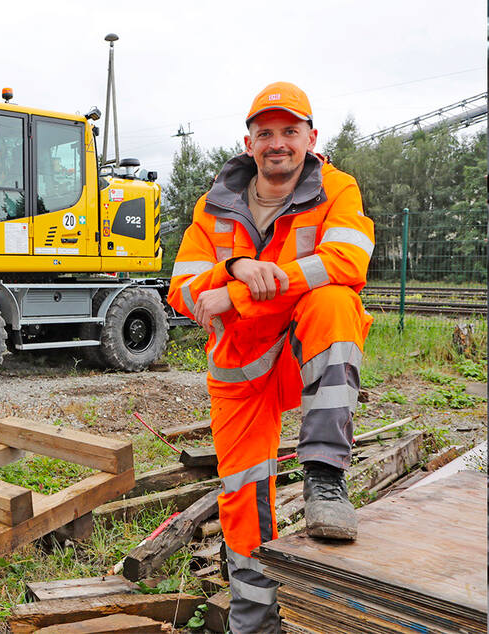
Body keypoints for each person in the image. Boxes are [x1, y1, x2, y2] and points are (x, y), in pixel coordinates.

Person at [167, 81, 374, 633]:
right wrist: (231, 267)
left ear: (311, 136)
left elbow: (348, 260)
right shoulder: (213, 207)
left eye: (289, 131)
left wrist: (236, 292)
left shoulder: (336, 189)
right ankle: (255, 622)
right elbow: (182, 290)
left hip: (304, 354)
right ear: (249, 141)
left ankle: (325, 479)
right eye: (266, 133)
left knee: (335, 302)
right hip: (239, 369)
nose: (277, 142)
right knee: (241, 500)